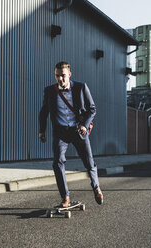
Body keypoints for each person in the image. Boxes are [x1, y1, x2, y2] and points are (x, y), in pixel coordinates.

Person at [38, 61, 103, 207]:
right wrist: (42, 131)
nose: (60, 79)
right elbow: (44, 112)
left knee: (89, 162)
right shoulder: (50, 91)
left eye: (63, 76)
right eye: (57, 76)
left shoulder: (81, 87)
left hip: (78, 130)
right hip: (61, 132)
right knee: (58, 162)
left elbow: (92, 109)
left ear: (69, 75)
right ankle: (65, 197)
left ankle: (96, 188)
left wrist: (85, 126)